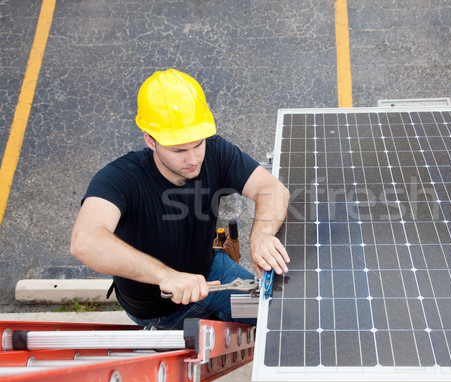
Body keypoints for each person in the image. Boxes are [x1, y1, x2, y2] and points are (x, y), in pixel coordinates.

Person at [70, 69, 290, 329]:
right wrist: (166, 276)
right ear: (150, 140)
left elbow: (272, 188)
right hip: (161, 310)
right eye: (179, 150)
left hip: (213, 273)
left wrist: (262, 236)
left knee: (284, 316)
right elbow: (84, 241)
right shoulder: (121, 178)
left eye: (198, 144)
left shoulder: (215, 151)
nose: (194, 159)